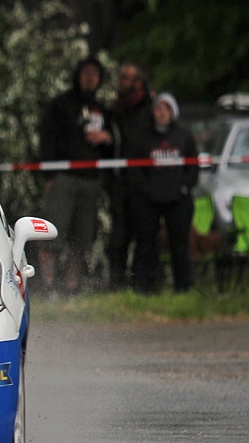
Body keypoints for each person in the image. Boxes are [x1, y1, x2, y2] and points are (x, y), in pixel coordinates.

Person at [37, 56, 113, 294]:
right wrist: (49, 176)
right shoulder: (61, 104)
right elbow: (46, 139)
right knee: (53, 233)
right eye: (86, 73)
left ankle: (72, 287)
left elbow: (116, 144)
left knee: (81, 239)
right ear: (78, 75)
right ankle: (48, 285)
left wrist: (106, 138)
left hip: (91, 180)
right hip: (63, 177)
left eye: (95, 74)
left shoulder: (102, 109)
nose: (90, 78)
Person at [127, 93, 198, 293]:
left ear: (173, 111)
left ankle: (183, 289)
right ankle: (143, 288)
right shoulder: (142, 137)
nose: (162, 113)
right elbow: (134, 168)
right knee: (145, 244)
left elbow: (193, 166)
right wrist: (145, 190)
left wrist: (184, 187)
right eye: (158, 108)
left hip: (178, 200)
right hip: (148, 200)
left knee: (180, 245)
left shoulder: (183, 136)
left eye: (166, 108)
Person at [105, 62, 153, 289]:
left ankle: (144, 283)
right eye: (120, 76)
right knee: (119, 236)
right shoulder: (114, 111)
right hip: (120, 181)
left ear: (138, 82)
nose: (120, 81)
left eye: (126, 77)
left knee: (145, 235)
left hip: (144, 182)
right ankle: (117, 283)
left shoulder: (151, 109)